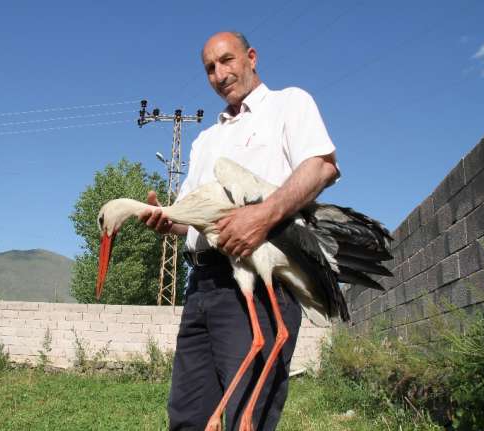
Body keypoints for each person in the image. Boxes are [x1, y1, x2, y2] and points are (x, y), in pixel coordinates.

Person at [139, 31, 340, 430]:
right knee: (187, 416)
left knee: (248, 419)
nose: (219, 74)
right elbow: (193, 222)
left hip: (259, 278)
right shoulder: (204, 140)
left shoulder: (288, 104)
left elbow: (322, 166)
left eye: (227, 60)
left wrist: (262, 216)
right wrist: (168, 218)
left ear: (251, 57)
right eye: (210, 68)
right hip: (202, 286)